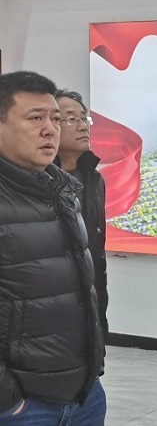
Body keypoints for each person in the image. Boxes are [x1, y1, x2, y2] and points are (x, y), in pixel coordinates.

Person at [0, 71, 106, 424]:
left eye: (55, 119)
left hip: (84, 393)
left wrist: (93, 371)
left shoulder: (63, 191)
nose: (50, 130)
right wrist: (8, 401)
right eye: (35, 118)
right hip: (25, 405)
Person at [54, 89, 109, 345]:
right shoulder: (37, 180)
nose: (82, 126)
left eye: (84, 118)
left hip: (90, 300)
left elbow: (97, 252)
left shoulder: (94, 180)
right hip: (52, 304)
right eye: (71, 119)